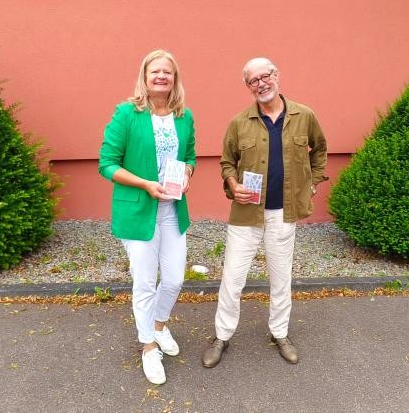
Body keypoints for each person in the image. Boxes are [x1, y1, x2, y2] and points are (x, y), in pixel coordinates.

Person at [203, 57, 328, 368]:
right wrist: (233, 183)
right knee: (232, 279)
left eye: (265, 76)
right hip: (246, 215)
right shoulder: (239, 123)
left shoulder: (304, 116)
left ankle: (280, 333)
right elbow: (226, 162)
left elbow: (321, 149)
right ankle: (222, 336)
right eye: (252, 80)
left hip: (283, 214)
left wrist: (313, 181)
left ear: (277, 75)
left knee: (281, 278)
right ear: (247, 86)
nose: (261, 84)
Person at [99, 49, 197, 385]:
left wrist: (186, 172)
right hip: (138, 211)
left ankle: (159, 324)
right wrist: (145, 183)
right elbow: (107, 163)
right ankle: (148, 347)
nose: (161, 77)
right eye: (155, 71)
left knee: (173, 279)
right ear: (144, 76)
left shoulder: (184, 116)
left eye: (167, 72)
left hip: (172, 210)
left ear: (175, 79)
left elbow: (190, 156)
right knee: (144, 283)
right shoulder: (127, 114)